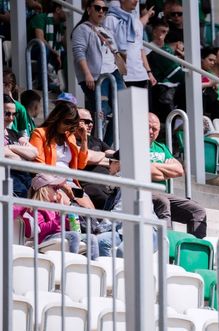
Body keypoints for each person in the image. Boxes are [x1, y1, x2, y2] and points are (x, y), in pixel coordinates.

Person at [72, 0, 126, 146]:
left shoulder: (106, 30)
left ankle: (105, 145)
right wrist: (87, 74)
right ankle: (95, 144)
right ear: (89, 10)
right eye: (97, 8)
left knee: (123, 108)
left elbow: (114, 53)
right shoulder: (82, 29)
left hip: (113, 73)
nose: (101, 11)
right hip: (96, 76)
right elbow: (79, 52)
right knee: (101, 112)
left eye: (104, 9)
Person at [147, 113, 207, 238]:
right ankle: (167, 244)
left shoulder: (161, 147)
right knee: (162, 202)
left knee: (197, 210)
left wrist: (154, 165)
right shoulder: (134, 146)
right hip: (143, 192)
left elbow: (179, 170)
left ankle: (194, 247)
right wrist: (165, 170)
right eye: (148, 127)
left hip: (163, 193)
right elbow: (148, 171)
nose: (151, 132)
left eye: (155, 129)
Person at [13, 173, 99, 259]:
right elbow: (41, 229)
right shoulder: (36, 207)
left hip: (61, 234)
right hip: (45, 238)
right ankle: (72, 261)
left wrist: (65, 214)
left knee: (92, 238)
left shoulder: (54, 206)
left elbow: (64, 225)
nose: (58, 191)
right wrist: (60, 218)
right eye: (55, 188)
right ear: (44, 189)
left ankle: (91, 265)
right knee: (74, 235)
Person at [104, 0, 156, 88]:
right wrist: (119, 73)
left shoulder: (136, 21)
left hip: (141, 75)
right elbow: (109, 48)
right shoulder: (110, 19)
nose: (136, 1)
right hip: (122, 76)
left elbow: (140, 49)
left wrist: (149, 72)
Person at [75, 108, 116, 210]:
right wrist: (104, 155)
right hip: (89, 184)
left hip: (108, 182)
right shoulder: (70, 139)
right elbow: (86, 158)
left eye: (91, 122)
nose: (90, 125)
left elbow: (115, 157)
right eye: (86, 121)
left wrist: (98, 157)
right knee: (104, 199)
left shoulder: (96, 140)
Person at [3, 95, 36, 198]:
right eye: (7, 114)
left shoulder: (14, 133)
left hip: (24, 176)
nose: (11, 118)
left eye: (14, 114)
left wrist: (10, 147)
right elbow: (6, 155)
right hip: (8, 176)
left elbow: (34, 153)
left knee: (43, 188)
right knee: (22, 192)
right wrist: (23, 155)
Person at [3, 70, 34, 137]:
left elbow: (24, 133)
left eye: (7, 83)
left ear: (12, 85)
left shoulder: (20, 108)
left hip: (12, 139)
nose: (4, 86)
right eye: (3, 83)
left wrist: (21, 140)